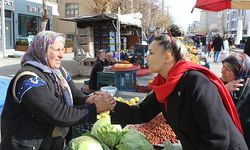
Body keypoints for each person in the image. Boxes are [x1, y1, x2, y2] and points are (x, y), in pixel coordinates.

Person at [110, 24, 248, 149]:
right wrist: (111, 106)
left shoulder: (196, 83)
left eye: (151, 53)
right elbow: (142, 112)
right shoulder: (164, 84)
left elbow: (218, 139)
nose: (147, 57)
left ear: (168, 57)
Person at [0, 31, 116, 150]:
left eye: (62, 50)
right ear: (42, 50)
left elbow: (74, 94)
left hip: (51, 142)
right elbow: (57, 113)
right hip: (26, 145)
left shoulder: (58, 72)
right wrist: (95, 108)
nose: (61, 55)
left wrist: (88, 99)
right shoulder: (28, 78)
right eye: (56, 50)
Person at [221, 52, 250, 148]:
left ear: (240, 72)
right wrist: (223, 90)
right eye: (223, 66)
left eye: (228, 69)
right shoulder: (221, 83)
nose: (222, 71)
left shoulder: (246, 91)